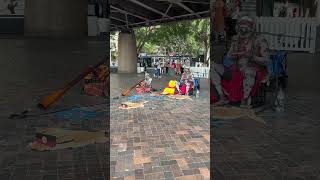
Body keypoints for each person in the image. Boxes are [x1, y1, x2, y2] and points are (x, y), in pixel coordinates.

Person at [212, 15, 270, 106]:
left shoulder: (259, 39)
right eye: (241, 24)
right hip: (234, 70)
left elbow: (267, 60)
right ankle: (222, 97)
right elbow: (228, 57)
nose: (243, 27)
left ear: (252, 26)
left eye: (246, 24)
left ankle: (245, 99)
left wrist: (253, 57)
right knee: (212, 66)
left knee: (248, 70)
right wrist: (231, 56)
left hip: (251, 69)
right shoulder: (235, 39)